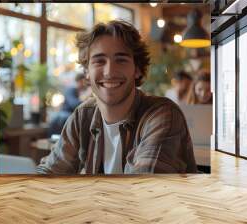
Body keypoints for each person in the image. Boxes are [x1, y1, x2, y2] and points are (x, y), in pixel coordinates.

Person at [37, 20, 197, 174]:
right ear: (86, 73)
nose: (109, 72)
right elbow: (50, 172)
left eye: (121, 60)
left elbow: (142, 189)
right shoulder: (83, 116)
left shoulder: (162, 115)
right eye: (99, 61)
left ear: (138, 69)